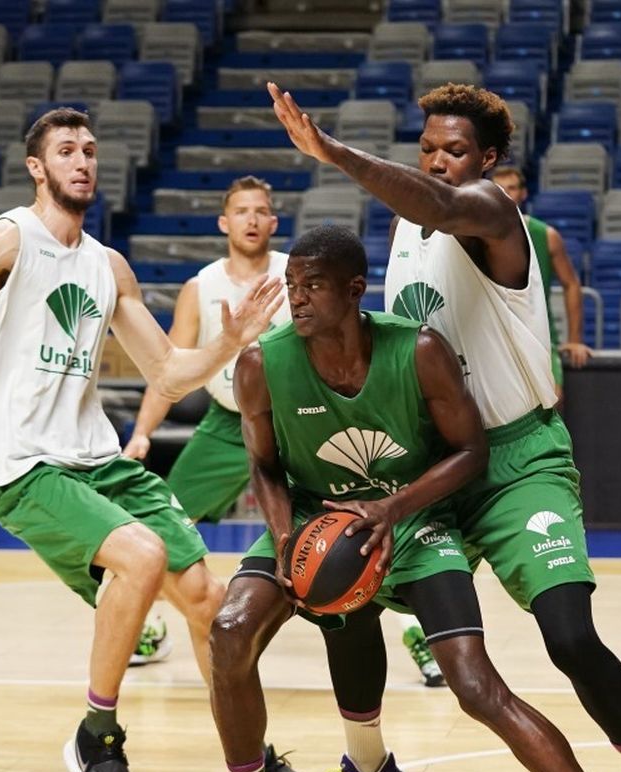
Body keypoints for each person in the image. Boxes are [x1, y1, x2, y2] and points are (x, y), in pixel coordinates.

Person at [265, 81, 621, 772]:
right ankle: (367, 765)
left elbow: (435, 199)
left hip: (518, 458)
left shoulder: (497, 216)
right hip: (434, 458)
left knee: (568, 636)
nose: (435, 161)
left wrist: (331, 151)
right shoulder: (403, 226)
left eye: (453, 151)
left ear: (488, 162)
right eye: (427, 147)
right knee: (338, 588)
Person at [201, 226, 621, 772]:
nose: (296, 298)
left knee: (476, 687)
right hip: (312, 525)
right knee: (229, 629)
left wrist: (391, 510)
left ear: (355, 290)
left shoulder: (417, 352)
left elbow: (471, 453)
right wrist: (286, 543)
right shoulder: (260, 366)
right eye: (292, 285)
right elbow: (266, 468)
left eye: (313, 286)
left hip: (414, 522)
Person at [0, 108, 307, 772]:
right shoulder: (7, 238)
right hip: (25, 464)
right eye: (66, 151)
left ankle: (251, 757)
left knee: (207, 600)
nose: (82, 161)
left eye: (89, 150)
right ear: (37, 167)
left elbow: (170, 374)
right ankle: (97, 736)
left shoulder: (108, 266)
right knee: (142, 558)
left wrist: (231, 339)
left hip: (98, 460)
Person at [118, 176, 443, 689]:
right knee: (160, 527)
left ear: (274, 222)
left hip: (308, 414)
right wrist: (141, 432)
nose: (251, 219)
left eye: (261, 210)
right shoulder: (201, 287)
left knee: (352, 528)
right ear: (224, 223)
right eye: (241, 210)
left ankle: (416, 631)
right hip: (229, 422)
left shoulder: (303, 270)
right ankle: (153, 625)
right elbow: (170, 370)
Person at [487, 164, 593, 394]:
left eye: (512, 188)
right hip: (491, 336)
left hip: (538, 335)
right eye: (499, 189)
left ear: (523, 193)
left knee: (552, 399)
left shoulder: (546, 236)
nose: (506, 194)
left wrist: (575, 339)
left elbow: (571, 283)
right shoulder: (474, 235)